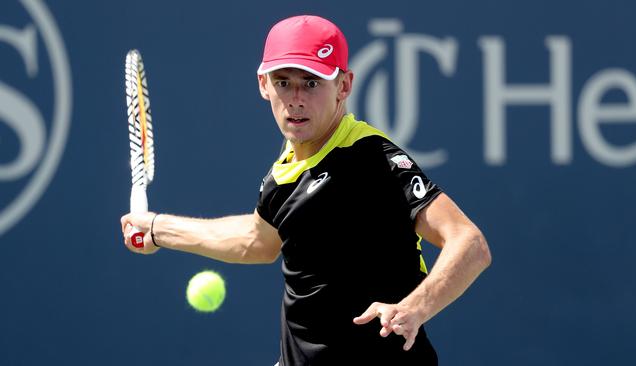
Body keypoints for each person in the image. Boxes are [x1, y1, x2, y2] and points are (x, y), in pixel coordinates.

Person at [121, 15, 491, 366]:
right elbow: (257, 241)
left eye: (311, 83)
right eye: (283, 82)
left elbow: (469, 242)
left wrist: (414, 308)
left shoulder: (370, 158)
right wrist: (158, 229)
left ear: (344, 85)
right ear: (264, 85)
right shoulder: (282, 175)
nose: (296, 98)